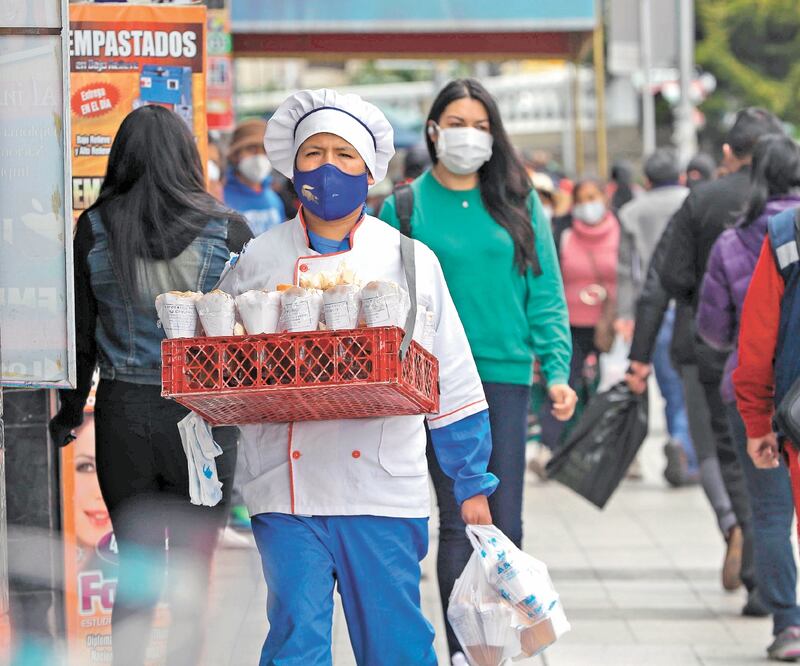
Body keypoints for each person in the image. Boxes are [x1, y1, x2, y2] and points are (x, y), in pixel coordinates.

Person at [220, 88, 499, 666]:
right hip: (283, 484)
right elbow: (223, 363)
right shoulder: (257, 260)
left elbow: (452, 376)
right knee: (295, 638)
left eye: (345, 155)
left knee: (394, 642)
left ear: (370, 169)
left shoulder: (409, 260)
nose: (328, 168)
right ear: (292, 168)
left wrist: (470, 482)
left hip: (379, 486)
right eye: (314, 153)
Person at [379, 78, 576, 663]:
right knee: (460, 520)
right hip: (434, 383)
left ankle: (501, 647)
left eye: (481, 125)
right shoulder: (405, 205)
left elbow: (545, 289)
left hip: (506, 376)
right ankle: (468, 651)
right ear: (434, 130)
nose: (470, 135)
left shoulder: (520, 199)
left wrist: (557, 368)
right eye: (458, 123)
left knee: (505, 520)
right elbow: (390, 302)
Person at [48, 105, 253, 666]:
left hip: (123, 416)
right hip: (205, 418)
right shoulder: (230, 228)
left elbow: (80, 337)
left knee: (135, 571)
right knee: (193, 571)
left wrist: (69, 416)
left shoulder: (94, 226)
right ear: (187, 158)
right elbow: (250, 333)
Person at [626, 107, 785, 611]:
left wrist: (639, 358)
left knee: (721, 451)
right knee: (776, 460)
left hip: (708, 351)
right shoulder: (788, 212)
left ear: (726, 153)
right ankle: (773, 575)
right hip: (785, 356)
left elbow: (659, 283)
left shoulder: (705, 201)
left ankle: (740, 532)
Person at [698, 134, 800, 661]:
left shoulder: (750, 239)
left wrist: (754, 414)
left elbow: (734, 339)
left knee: (769, 511)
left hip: (775, 402)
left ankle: (789, 624)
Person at [615, 148, 697, 486]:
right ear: (679, 176)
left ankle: (680, 440)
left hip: (652, 309)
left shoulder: (632, 212)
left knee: (668, 385)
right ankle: (680, 441)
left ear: (646, 181)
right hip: (690, 305)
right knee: (686, 384)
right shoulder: (694, 200)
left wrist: (625, 314)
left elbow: (626, 270)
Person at [223, 118, 286, 235]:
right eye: (251, 149)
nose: (259, 156)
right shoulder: (221, 197)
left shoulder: (274, 199)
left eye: (265, 150)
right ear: (235, 155)